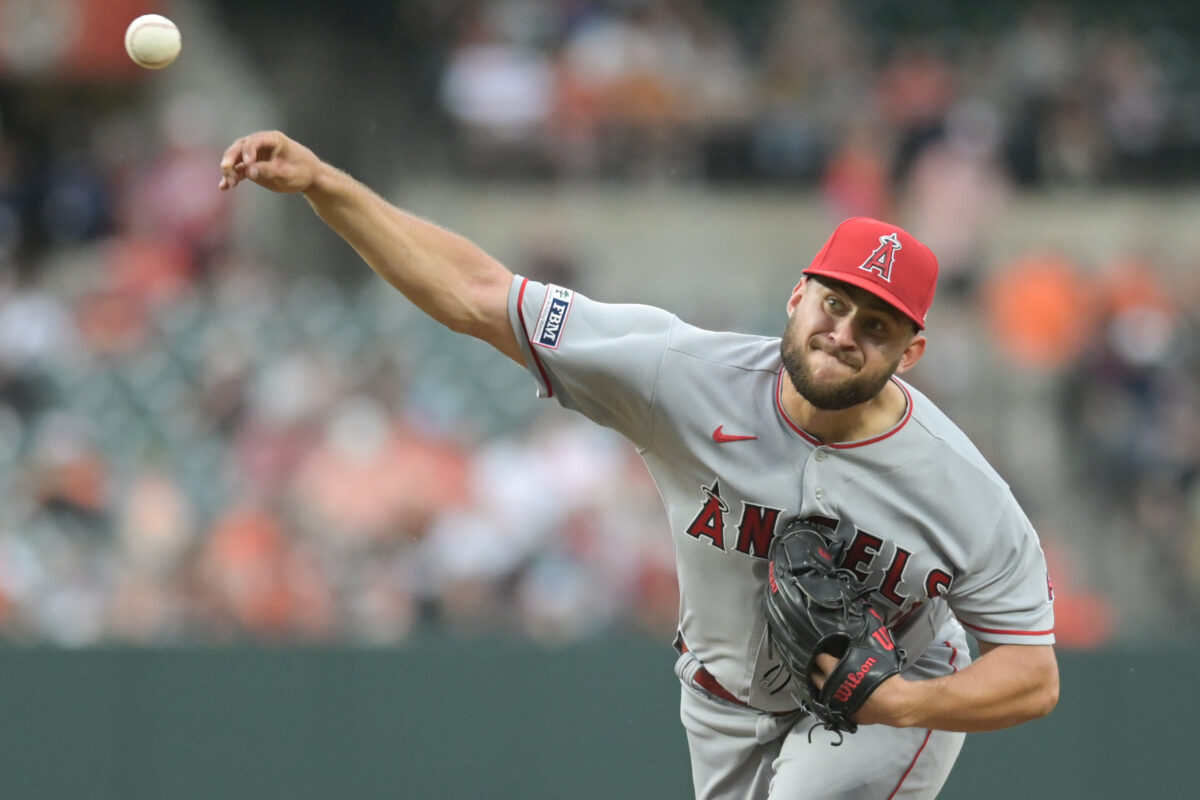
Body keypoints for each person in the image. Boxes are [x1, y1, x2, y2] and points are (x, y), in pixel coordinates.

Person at [218, 131, 1059, 799]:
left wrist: (904, 703)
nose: (843, 332)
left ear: (910, 351)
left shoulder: (963, 489)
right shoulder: (678, 375)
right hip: (725, 700)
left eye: (874, 326)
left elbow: (1032, 676)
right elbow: (477, 296)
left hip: (894, 694)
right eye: (835, 305)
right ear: (797, 297)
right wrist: (327, 184)